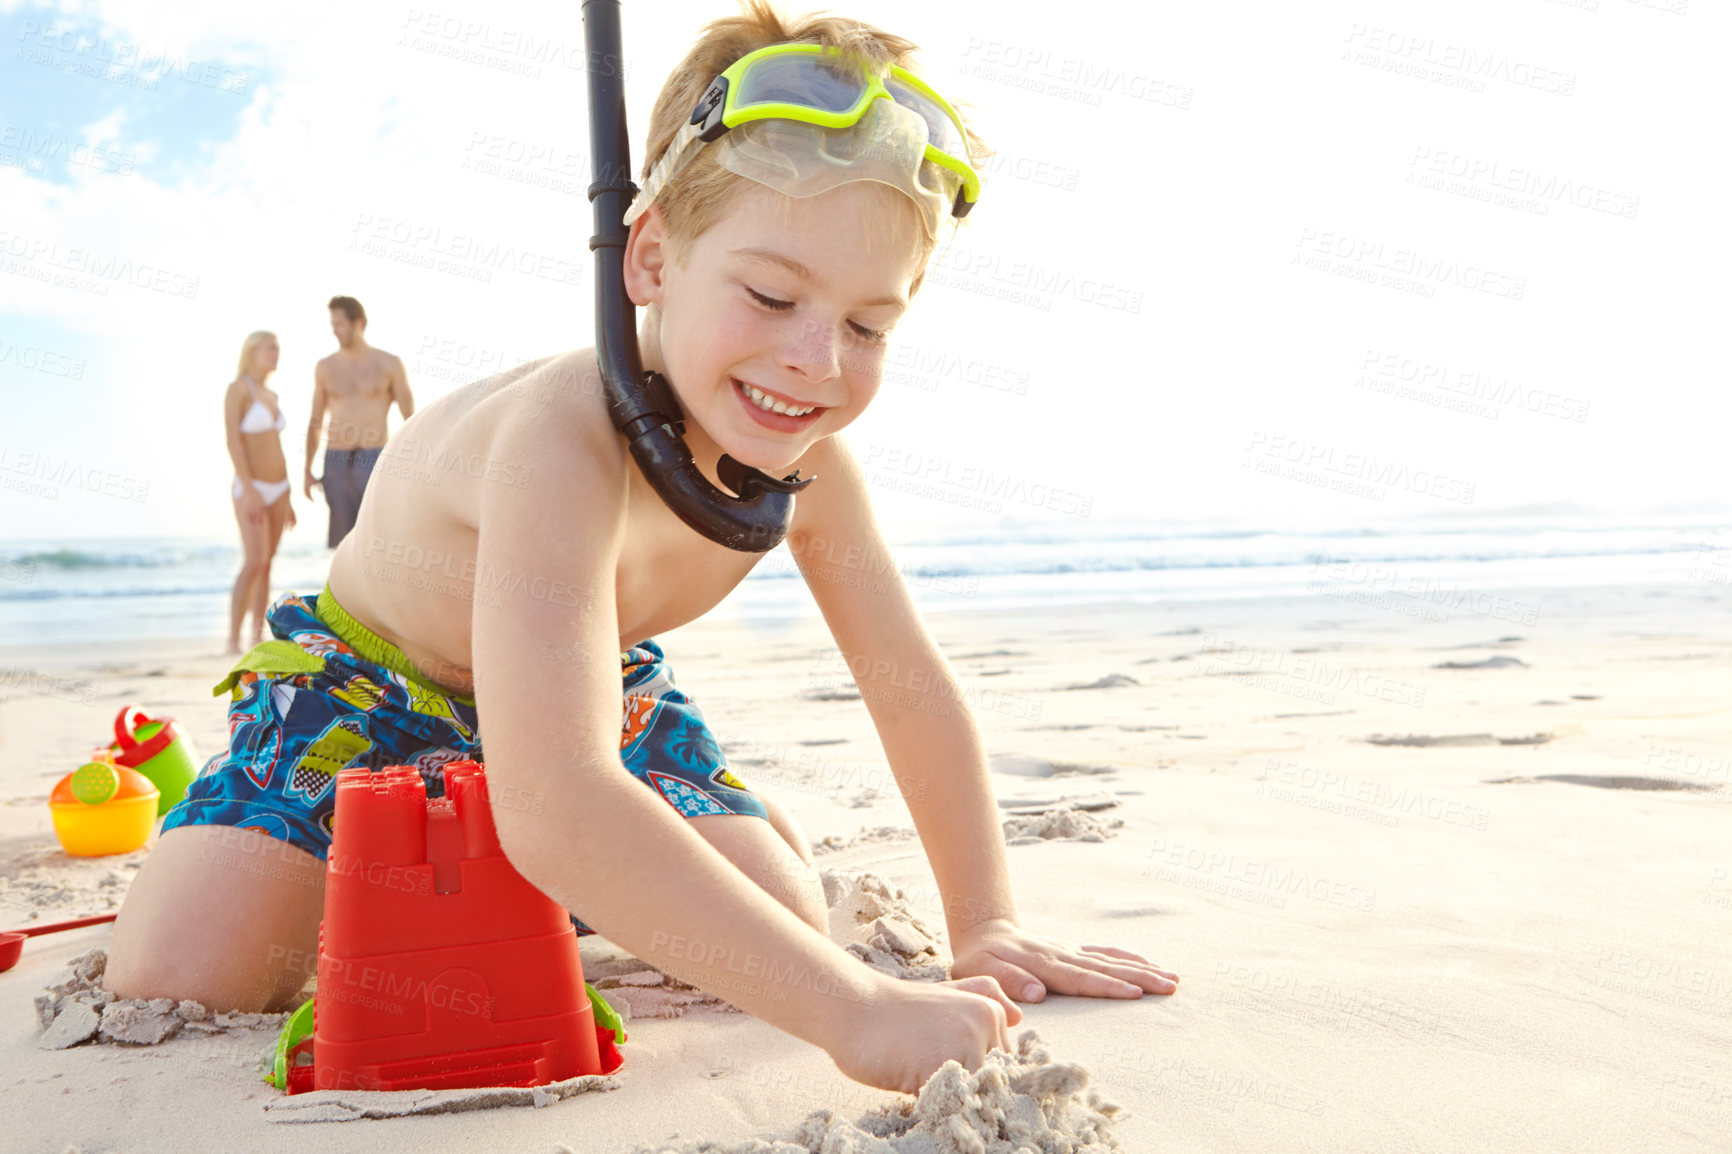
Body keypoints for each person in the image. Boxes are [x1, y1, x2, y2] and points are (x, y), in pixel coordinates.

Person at [107, 3, 1177, 1094]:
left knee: (780, 915)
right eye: (770, 293)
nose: (814, 359)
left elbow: (910, 689)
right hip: (369, 682)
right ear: (651, 254)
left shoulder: (808, 470)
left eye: (868, 326)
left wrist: (986, 921)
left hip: (591, 693)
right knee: (186, 973)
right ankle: (327, 827)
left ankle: (567, 862)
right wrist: (851, 1011)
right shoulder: (561, 436)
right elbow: (561, 793)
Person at [305, 295, 413, 547]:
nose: (335, 331)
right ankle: (342, 588)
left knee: (377, 537)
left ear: (359, 323)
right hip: (336, 460)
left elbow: (410, 418)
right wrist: (306, 471)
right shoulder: (325, 367)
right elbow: (315, 421)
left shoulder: (389, 363)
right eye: (332, 324)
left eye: (339, 324)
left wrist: (413, 463)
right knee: (341, 544)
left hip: (374, 457)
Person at [222, 331, 296, 656]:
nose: (276, 354)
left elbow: (276, 446)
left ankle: (256, 635)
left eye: (278, 349)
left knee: (268, 563)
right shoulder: (238, 389)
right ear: (252, 351)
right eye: (270, 348)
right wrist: (249, 489)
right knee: (253, 561)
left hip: (280, 488)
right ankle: (232, 640)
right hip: (251, 487)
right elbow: (233, 442)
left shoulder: (272, 395)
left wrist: (288, 496)